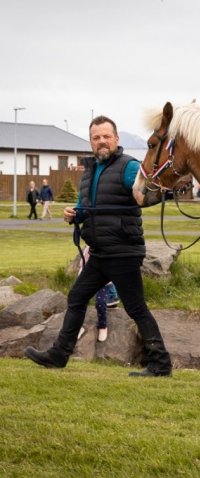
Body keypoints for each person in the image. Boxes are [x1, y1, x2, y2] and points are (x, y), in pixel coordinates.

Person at [25, 115, 172, 377]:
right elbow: (88, 209)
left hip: (123, 251)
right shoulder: (90, 171)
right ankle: (59, 354)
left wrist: (155, 193)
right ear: (91, 142)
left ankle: (160, 365)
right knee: (77, 296)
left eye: (106, 136)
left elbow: (142, 193)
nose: (101, 141)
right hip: (101, 252)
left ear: (116, 139)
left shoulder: (128, 166)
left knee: (135, 307)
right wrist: (74, 214)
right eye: (96, 137)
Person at [77, 246, 120, 342]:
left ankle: (102, 326)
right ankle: (78, 327)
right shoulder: (90, 247)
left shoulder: (109, 247)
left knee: (100, 302)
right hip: (87, 277)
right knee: (77, 301)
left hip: (104, 280)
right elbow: (83, 263)